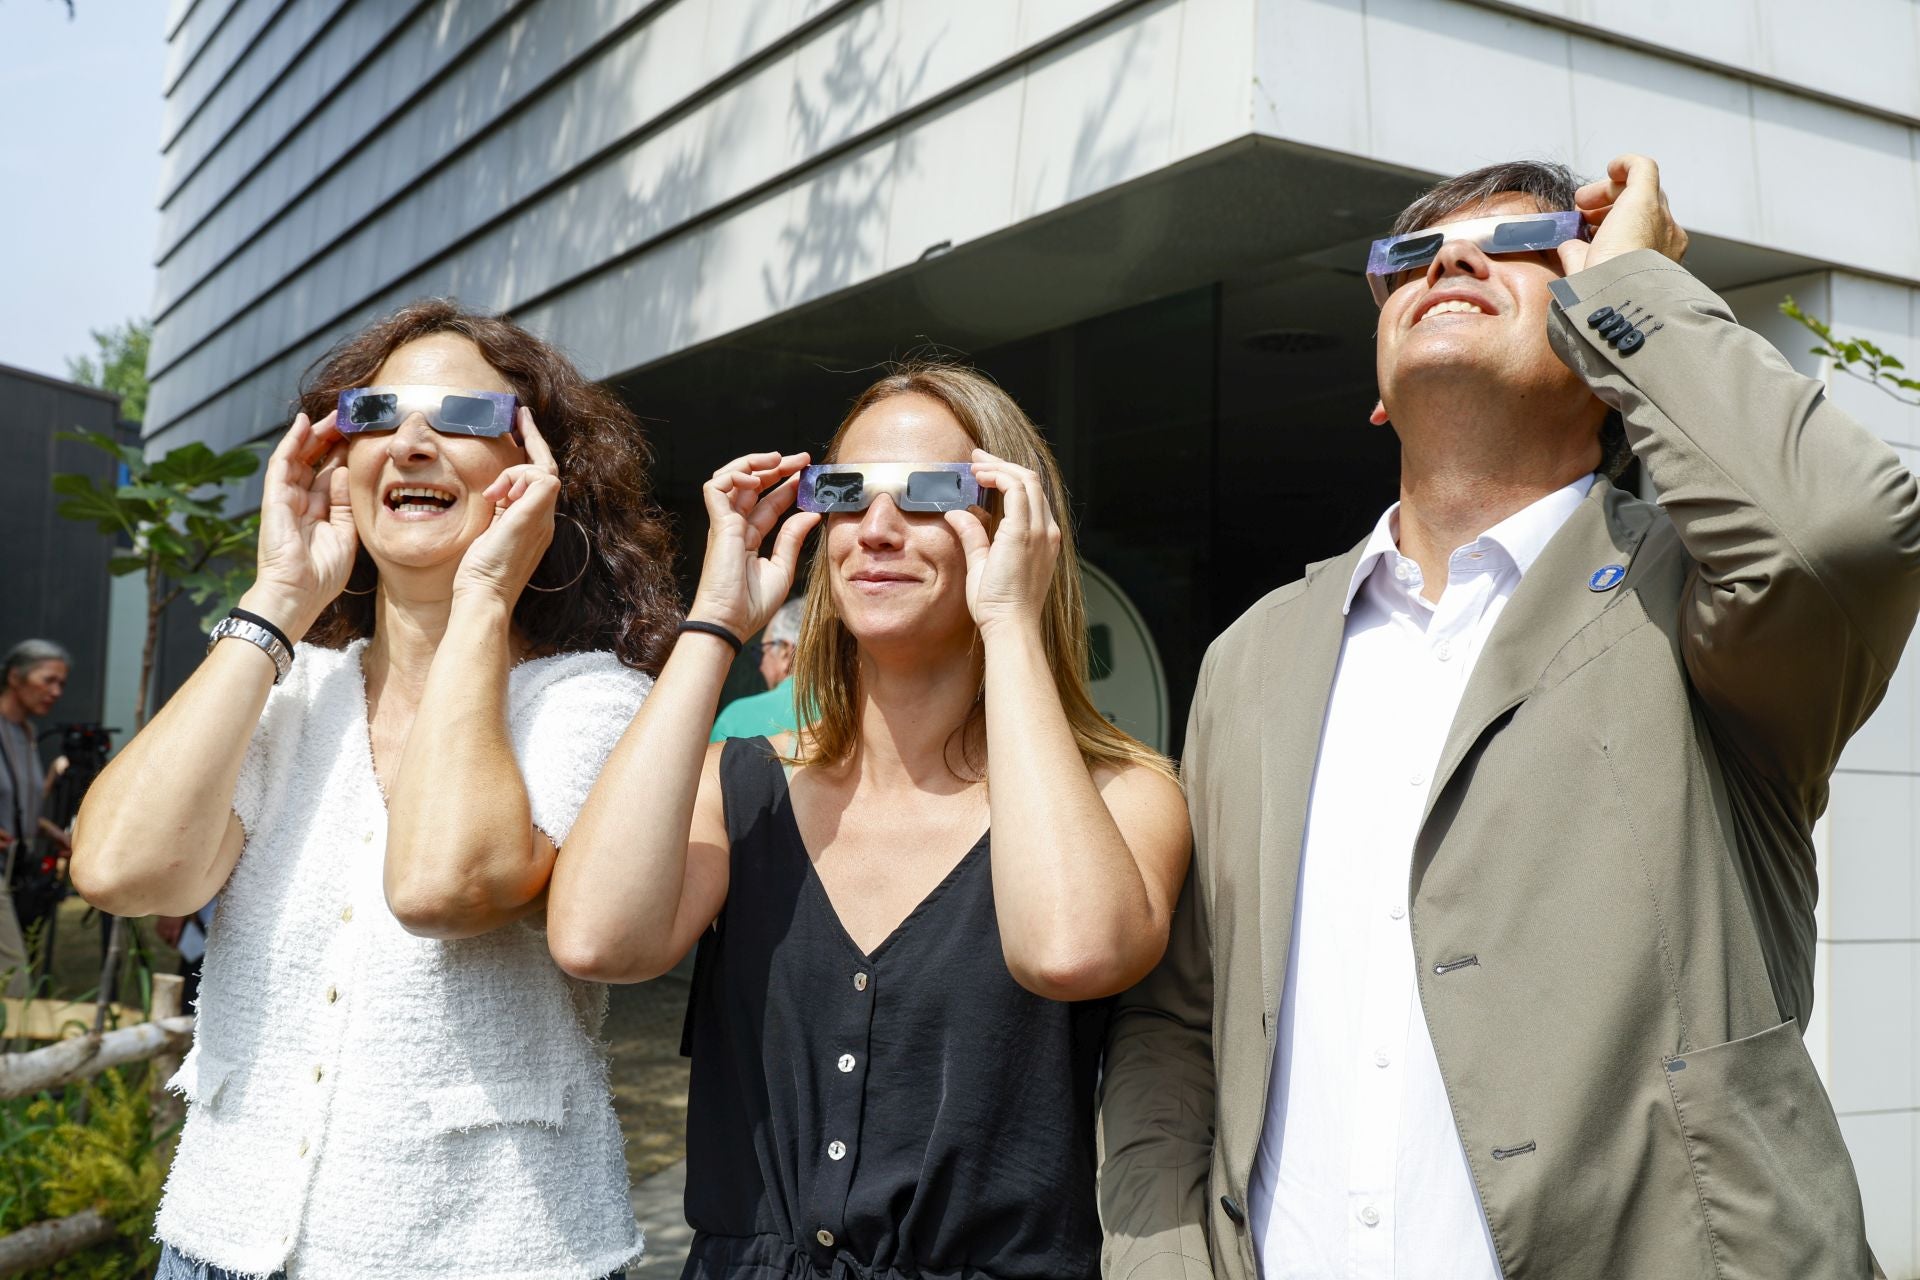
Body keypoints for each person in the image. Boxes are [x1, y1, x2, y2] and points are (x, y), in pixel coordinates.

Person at [1100, 155, 1920, 1280]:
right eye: (1410, 260)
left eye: (1522, 245)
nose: (1451, 262)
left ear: (1598, 350)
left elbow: (1838, 534)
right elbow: (1178, 1025)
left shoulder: (1700, 599)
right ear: (1379, 390)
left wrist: (1632, 285)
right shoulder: (1252, 656)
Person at [69, 299, 681, 1280]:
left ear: (540, 474)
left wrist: (483, 596)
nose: (411, 443)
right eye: (375, 414)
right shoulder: (287, 690)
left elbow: (442, 886)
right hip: (219, 1241)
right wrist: (277, 599)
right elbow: (120, 869)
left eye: (466, 417)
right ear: (336, 462)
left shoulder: (591, 702)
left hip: (493, 1254)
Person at [547, 362, 1193, 1280]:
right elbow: (595, 938)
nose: (878, 528)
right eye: (846, 493)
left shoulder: (1124, 795)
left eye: (931, 494)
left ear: (1013, 524)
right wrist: (716, 621)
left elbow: (1070, 952)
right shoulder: (744, 783)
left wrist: (1011, 621)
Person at [0, 639, 70, 995]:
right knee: (14, 984)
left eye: (61, 684)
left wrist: (55, 834)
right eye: (48, 680)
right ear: (15, 677)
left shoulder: (26, 733)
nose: (56, 692)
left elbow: (22, 806)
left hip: (15, 871)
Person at [708, 596, 802, 742]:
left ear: (785, 651)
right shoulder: (840, 707)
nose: (761, 666)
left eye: (761, 651)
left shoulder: (736, 718)